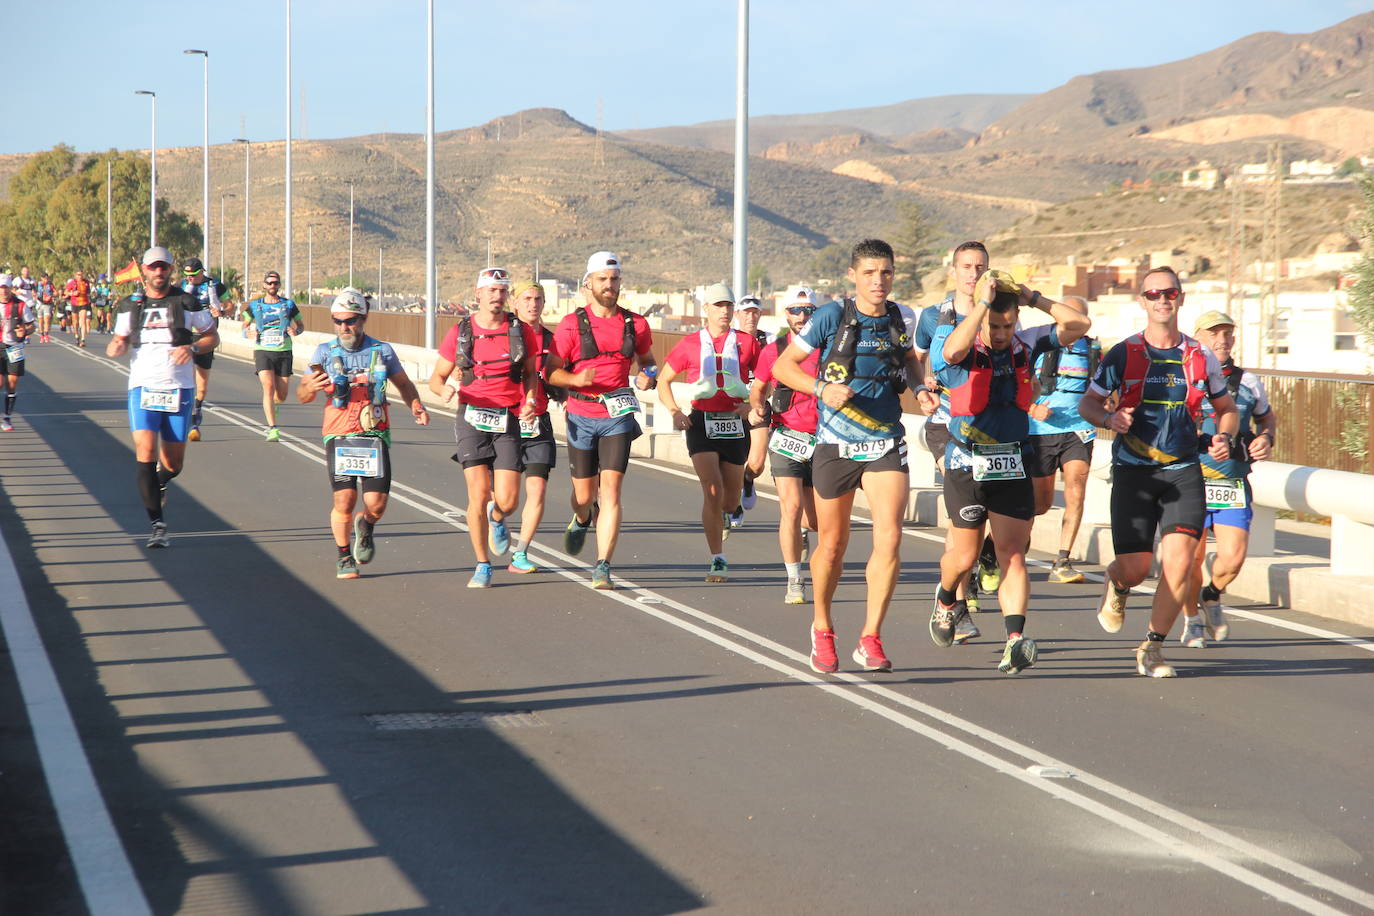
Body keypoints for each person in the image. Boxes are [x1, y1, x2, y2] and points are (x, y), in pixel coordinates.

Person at [1078, 266, 1237, 678]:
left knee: (1180, 564)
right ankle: (1117, 583)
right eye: (1153, 294)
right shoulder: (1123, 353)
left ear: (1181, 298)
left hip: (1183, 470)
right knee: (1135, 568)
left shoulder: (1200, 357)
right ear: (1142, 301)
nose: (1162, 300)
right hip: (1134, 470)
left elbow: (1227, 411)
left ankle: (1152, 647)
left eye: (1169, 293)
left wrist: (1224, 436)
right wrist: (1109, 420)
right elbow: (1088, 405)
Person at [929, 270, 1090, 674]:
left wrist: (1032, 296)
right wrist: (982, 305)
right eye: (994, 327)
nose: (1001, 334)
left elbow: (1079, 324)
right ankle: (947, 597)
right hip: (967, 462)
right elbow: (950, 356)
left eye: (1007, 325)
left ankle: (1015, 639)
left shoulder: (1026, 343)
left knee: (1011, 554)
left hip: (1012, 461)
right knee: (963, 557)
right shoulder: (952, 336)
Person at [770, 239, 919, 674]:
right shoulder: (832, 315)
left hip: (885, 438)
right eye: (870, 273)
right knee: (832, 545)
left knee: (889, 535)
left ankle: (871, 636)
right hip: (835, 442)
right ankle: (822, 627)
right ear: (853, 275)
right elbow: (783, 367)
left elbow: (910, 362)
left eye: (886, 273)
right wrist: (822, 389)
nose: (879, 281)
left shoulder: (899, 317)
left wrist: (923, 388)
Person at [297, 288, 429, 579]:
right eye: (338, 321)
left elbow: (404, 384)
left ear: (363, 319)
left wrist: (416, 405)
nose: (344, 327)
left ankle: (366, 525)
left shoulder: (381, 351)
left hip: (374, 434)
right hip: (339, 434)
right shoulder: (324, 353)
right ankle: (344, 556)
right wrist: (310, 387)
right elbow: (303, 394)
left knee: (376, 505)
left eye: (351, 321)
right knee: (344, 499)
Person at [546, 251, 657, 590]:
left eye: (615, 279)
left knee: (611, 491)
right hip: (581, 414)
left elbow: (649, 363)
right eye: (603, 280)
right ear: (588, 285)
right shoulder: (570, 324)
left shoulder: (635, 324)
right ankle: (581, 518)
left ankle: (602, 565)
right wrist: (575, 381)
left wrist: (647, 377)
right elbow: (551, 372)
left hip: (617, 416)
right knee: (584, 496)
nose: (610, 286)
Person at [427, 267, 538, 588]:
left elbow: (531, 374)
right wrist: (443, 390)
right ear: (478, 294)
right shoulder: (462, 332)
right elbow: (436, 378)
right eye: (491, 290)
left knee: (509, 499)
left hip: (508, 417)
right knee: (477, 494)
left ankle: (498, 517)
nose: (497, 296)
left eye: (502, 291)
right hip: (472, 417)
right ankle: (482, 564)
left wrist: (530, 399)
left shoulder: (520, 331)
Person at [105, 248, 220, 548]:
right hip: (142, 387)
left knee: (174, 463)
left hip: (178, 389)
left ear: (171, 270)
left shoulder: (186, 301)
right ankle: (157, 525)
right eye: (153, 268)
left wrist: (192, 348)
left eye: (163, 267)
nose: (159, 273)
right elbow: (118, 341)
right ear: (144, 270)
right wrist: (116, 346)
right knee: (145, 452)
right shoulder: (130, 304)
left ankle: (160, 482)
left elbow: (212, 336)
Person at [913, 241, 996, 627]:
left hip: (987, 429)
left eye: (979, 266)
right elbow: (914, 360)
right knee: (961, 510)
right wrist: (923, 386)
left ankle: (974, 566)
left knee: (982, 517)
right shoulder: (933, 316)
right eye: (966, 266)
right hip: (945, 426)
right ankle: (954, 604)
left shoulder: (999, 313)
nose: (972, 273)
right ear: (954, 270)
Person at [1182, 310, 1276, 647]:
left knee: (1233, 559)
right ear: (1198, 339)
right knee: (1188, 559)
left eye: (1227, 334)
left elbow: (1267, 419)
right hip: (1189, 481)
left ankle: (1212, 593)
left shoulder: (1247, 381)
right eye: (1214, 333)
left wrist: (1265, 438)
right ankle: (1192, 618)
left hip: (1231, 482)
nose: (1222, 340)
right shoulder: (1183, 377)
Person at [657, 283, 762, 582]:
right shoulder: (690, 343)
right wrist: (675, 412)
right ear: (706, 310)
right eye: (718, 305)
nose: (724, 311)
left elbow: (766, 379)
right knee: (711, 491)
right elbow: (663, 381)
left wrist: (751, 405)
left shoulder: (747, 343)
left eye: (728, 305)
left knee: (729, 501)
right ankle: (718, 558)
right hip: (701, 423)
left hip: (735, 423)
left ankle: (734, 503)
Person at [750, 286, 821, 604]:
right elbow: (759, 387)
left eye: (808, 311)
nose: (802, 317)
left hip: (823, 440)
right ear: (786, 314)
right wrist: (758, 406)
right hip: (786, 437)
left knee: (816, 519)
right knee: (790, 507)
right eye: (795, 310)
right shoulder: (774, 349)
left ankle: (804, 532)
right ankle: (795, 579)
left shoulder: (830, 347)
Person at [1026, 295, 1100, 584]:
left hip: (1079, 429)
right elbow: (1018, 388)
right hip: (1039, 431)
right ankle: (1009, 549)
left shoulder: (1093, 351)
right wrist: (1033, 407)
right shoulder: (1039, 347)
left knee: (1076, 488)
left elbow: (1104, 390)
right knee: (1039, 504)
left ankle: (1062, 560)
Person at [505, 280, 562, 574]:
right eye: (527, 298)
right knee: (505, 498)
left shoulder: (552, 340)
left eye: (538, 299)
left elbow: (565, 373)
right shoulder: (504, 335)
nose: (533, 304)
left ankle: (521, 553)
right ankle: (497, 517)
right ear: (514, 302)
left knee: (538, 490)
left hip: (538, 421)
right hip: (505, 420)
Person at [242, 270, 303, 441]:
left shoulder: (289, 305)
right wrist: (248, 333)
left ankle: (275, 405)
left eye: (275, 283)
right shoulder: (255, 306)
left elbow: (301, 325)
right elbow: (244, 326)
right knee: (268, 387)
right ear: (264, 285)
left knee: (282, 395)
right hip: (263, 350)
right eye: (269, 283)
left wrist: (296, 331)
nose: (272, 286)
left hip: (283, 351)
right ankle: (273, 428)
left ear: (279, 285)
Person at [733, 293, 771, 528]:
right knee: (734, 461)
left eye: (755, 312)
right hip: (734, 408)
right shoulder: (730, 340)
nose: (750, 316)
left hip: (758, 407)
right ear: (737, 314)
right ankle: (732, 505)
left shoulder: (769, 341)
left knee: (756, 464)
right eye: (746, 312)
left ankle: (748, 481)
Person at [180, 257, 226, 441]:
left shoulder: (214, 286)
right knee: (187, 378)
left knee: (202, 384)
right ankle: (190, 420)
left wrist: (221, 311)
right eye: (187, 275)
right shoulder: (181, 286)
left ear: (201, 272)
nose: (189, 278)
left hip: (207, 337)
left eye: (193, 274)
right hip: (185, 336)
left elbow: (229, 305)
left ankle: (197, 409)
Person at [0, 274, 36, 431]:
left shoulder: (21, 305)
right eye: (1, 288)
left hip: (15, 346)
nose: (3, 291)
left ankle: (7, 417)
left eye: (6, 288)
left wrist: (25, 331)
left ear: (11, 289)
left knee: (12, 383)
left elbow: (32, 325)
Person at [64, 270, 93, 347]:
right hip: (74, 303)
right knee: (75, 322)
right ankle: (76, 335)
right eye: (78, 275)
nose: (80, 276)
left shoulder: (86, 282)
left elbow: (88, 292)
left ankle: (83, 339)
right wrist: (72, 293)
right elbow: (66, 292)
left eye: (81, 275)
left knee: (83, 321)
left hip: (84, 303)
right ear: (75, 275)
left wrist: (91, 295)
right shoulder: (72, 283)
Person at [35, 273, 55, 342]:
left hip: (47, 304)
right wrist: (35, 296)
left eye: (47, 278)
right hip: (39, 304)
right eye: (45, 278)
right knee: (40, 321)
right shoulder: (37, 284)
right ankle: (42, 335)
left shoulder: (50, 284)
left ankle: (46, 334)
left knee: (47, 319)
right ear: (41, 278)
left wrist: (51, 296)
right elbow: (33, 292)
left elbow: (56, 292)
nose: (46, 280)